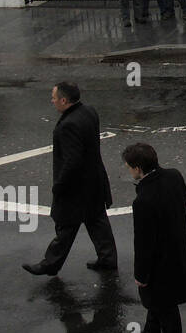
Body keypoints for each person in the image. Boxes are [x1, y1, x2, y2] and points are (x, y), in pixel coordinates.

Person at [23, 82, 118, 276]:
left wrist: (59, 185)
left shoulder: (68, 125)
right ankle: (108, 259)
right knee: (97, 220)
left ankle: (50, 264)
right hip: (94, 180)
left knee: (66, 226)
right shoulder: (89, 111)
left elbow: (72, 161)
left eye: (54, 98)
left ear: (64, 100)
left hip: (77, 188)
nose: (52, 101)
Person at [123, 142, 186, 333]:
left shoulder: (143, 201)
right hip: (178, 249)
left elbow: (144, 242)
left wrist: (141, 274)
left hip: (159, 262)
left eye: (128, 167)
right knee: (159, 301)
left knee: (165, 305)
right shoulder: (174, 176)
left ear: (137, 168)